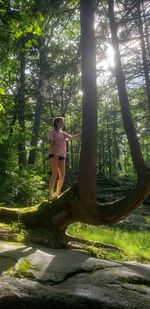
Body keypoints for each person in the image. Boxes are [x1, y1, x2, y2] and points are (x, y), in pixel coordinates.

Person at [48, 117, 80, 200]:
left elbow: (72, 137)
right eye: (62, 122)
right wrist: (55, 154)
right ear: (57, 123)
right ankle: (50, 194)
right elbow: (51, 143)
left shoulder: (63, 133)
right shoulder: (51, 132)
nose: (63, 124)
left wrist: (82, 134)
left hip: (62, 155)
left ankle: (57, 194)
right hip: (54, 155)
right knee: (54, 174)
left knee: (62, 175)